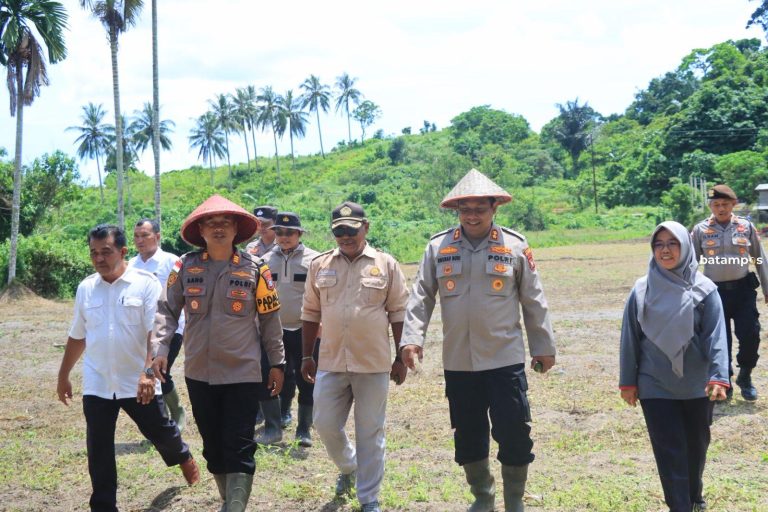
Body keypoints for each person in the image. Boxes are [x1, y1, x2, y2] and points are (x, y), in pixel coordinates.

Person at [400, 169, 556, 512]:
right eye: (465, 209)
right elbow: (421, 296)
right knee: (468, 434)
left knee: (514, 432)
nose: (472, 215)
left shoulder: (515, 246)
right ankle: (483, 499)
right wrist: (411, 339)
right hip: (459, 362)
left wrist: (543, 347)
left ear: (494, 208)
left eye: (479, 208)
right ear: (457, 211)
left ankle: (515, 502)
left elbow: (533, 299)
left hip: (505, 359)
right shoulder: (439, 247)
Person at [151, 195, 285, 512]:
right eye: (211, 223)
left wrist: (277, 363)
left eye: (225, 222)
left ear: (237, 229)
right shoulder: (185, 266)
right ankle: (230, 501)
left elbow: (270, 318)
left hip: (243, 372)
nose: (219, 228)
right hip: (200, 373)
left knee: (239, 445)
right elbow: (167, 311)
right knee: (213, 448)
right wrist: (160, 348)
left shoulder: (257, 268)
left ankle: (233, 508)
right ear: (201, 230)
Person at [57, 224, 199, 512]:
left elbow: (155, 334)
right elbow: (78, 335)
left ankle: (183, 456)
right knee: (98, 447)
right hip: (98, 381)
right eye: (94, 253)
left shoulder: (145, 283)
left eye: (106, 252)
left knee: (159, 431)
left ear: (122, 252)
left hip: (137, 380)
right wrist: (63, 375)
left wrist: (148, 373)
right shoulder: (86, 288)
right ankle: (104, 505)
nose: (99, 258)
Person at [301, 201, 409, 512]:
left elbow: (398, 311)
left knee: (370, 431)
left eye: (351, 230)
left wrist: (401, 356)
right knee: (323, 423)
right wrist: (307, 355)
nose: (346, 237)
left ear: (366, 227)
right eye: (339, 232)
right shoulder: (320, 265)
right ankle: (349, 466)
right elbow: (310, 311)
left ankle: (368, 498)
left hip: (372, 363)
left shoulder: (386, 264)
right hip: (331, 360)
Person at [620, 221, 730, 512]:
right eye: (659, 244)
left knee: (696, 448)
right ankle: (679, 506)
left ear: (685, 247)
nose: (665, 250)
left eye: (673, 243)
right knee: (669, 452)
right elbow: (630, 338)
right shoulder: (641, 290)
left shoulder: (705, 290)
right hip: (655, 384)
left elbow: (716, 336)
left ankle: (694, 496)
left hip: (697, 384)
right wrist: (628, 381)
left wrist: (719, 376)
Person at [691, 184, 767, 401]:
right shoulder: (700, 230)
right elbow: (691, 263)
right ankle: (724, 381)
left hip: (743, 292)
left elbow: (759, 258)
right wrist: (687, 292)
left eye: (725, 204)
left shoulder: (746, 227)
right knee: (719, 340)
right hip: (713, 294)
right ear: (710, 206)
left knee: (750, 336)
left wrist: (767, 287)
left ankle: (745, 376)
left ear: (734, 204)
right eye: (716, 204)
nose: (720, 208)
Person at [264, 212, 319, 447]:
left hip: (306, 329)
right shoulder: (264, 260)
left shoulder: (315, 260)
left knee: (308, 378)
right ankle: (276, 422)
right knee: (277, 375)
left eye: (289, 233)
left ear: (299, 234)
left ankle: (304, 429)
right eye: (279, 232)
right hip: (275, 331)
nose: (284, 237)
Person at [129, 218, 187, 430]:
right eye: (136, 236)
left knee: (158, 371)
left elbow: (184, 294)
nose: (140, 240)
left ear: (157, 236)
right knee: (148, 371)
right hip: (141, 330)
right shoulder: (131, 265)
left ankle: (176, 412)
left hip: (169, 328)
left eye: (145, 235)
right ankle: (162, 419)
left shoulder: (171, 261)